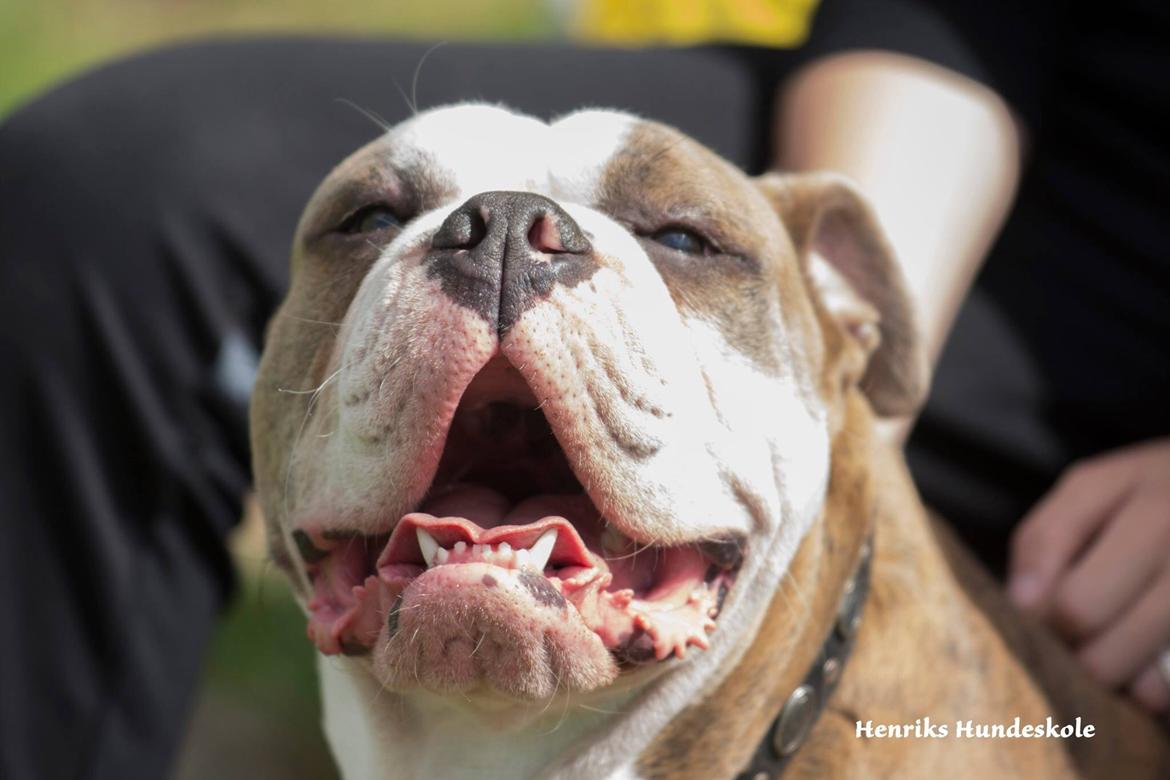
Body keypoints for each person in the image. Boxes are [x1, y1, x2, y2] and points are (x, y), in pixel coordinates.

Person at [0, 0, 1165, 776]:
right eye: (376, 220)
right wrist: (813, 314)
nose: (505, 250)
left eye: (682, 240)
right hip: (1007, 120)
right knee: (106, 193)